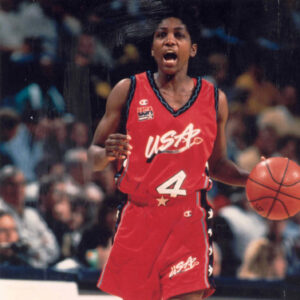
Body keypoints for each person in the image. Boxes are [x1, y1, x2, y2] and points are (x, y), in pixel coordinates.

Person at [88, 7, 249, 300]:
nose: (170, 41)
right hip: (138, 218)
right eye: (162, 35)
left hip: (188, 221)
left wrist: (253, 181)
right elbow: (93, 155)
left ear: (193, 48)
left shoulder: (214, 99)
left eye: (179, 35)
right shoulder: (128, 90)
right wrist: (105, 154)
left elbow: (218, 164)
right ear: (153, 49)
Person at [0, 165, 59, 268]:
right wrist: (39, 243)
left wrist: (33, 249)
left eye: (22, 184)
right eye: (12, 184)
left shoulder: (32, 214)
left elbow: (53, 248)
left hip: (37, 269)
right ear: (1, 187)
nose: (18, 189)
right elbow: (15, 247)